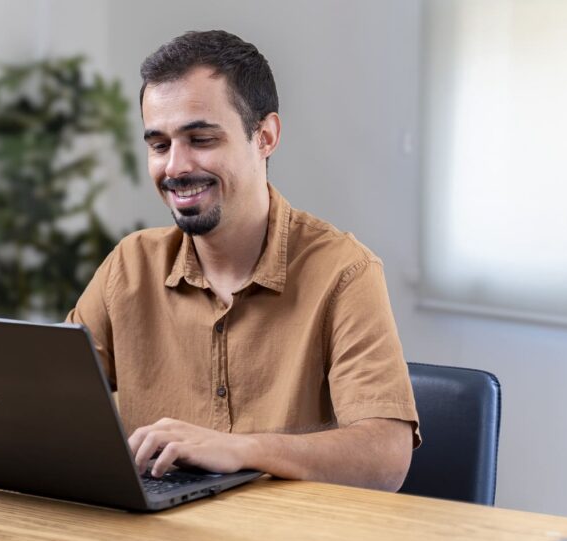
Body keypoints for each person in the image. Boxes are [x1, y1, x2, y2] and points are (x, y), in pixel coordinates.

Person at [66, 30, 420, 492]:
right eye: (159, 145)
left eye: (201, 139)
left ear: (265, 136)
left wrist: (241, 449)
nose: (175, 167)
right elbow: (49, 400)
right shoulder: (129, 266)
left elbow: (385, 459)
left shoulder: (344, 272)